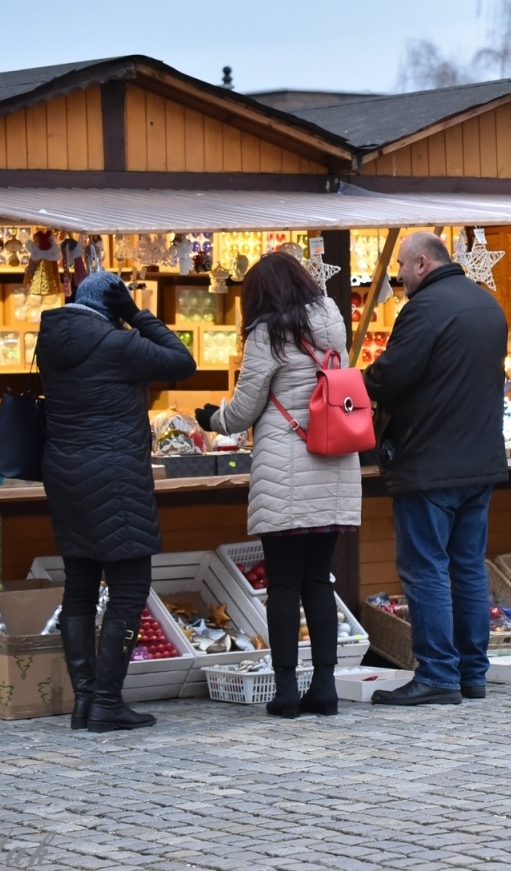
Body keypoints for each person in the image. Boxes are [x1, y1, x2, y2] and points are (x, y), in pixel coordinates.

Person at [195, 251, 360, 720]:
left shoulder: (267, 331)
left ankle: (286, 689)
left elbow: (245, 407)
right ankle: (324, 687)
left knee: (285, 585)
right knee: (318, 582)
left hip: (286, 468)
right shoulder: (330, 316)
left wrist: (212, 419)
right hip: (333, 460)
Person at [38, 270, 196, 731]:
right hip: (115, 475)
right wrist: (137, 314)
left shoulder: (50, 341)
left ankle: (84, 699)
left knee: (80, 586)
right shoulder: (117, 344)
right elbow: (180, 361)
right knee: (128, 587)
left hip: (65, 474)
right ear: (113, 305)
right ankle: (106, 700)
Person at [363, 231, 509, 706]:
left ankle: (439, 675)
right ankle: (472, 673)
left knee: (425, 568)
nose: (399, 275)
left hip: (429, 460)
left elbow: (391, 375)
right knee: (467, 568)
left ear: (423, 263)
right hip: (479, 460)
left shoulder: (424, 309)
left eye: (403, 266)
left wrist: (355, 383)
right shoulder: (488, 305)